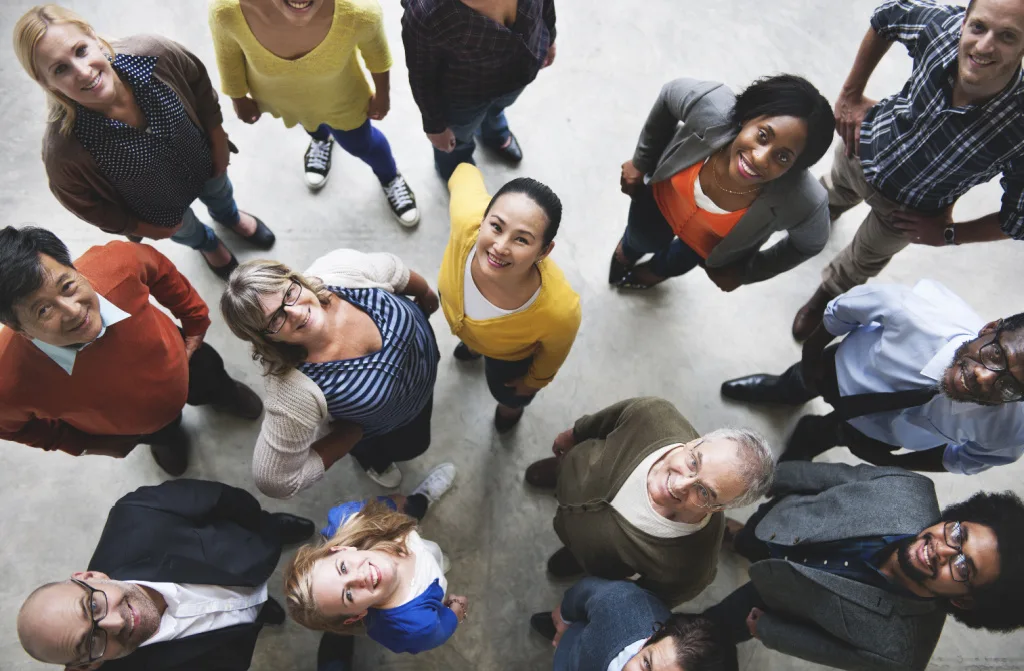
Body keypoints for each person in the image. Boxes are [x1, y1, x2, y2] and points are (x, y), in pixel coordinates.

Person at [791, 0, 1024, 341]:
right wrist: (850, 94)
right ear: (964, 22)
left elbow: (1018, 218)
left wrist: (949, 236)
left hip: (908, 212)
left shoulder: (1019, 126)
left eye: (1007, 36)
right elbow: (887, 18)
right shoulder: (941, 27)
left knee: (863, 259)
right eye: (978, 27)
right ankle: (820, 218)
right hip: (864, 146)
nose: (984, 46)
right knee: (832, 192)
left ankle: (826, 294)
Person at [14, 5, 274, 280]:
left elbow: (197, 82)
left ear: (93, 37)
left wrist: (218, 138)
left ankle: (228, 216)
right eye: (60, 69)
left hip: (206, 162)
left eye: (80, 50)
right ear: (45, 81)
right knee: (187, 230)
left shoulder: (154, 54)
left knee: (221, 194)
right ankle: (206, 243)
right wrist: (142, 227)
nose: (82, 72)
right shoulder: (64, 153)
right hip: (161, 209)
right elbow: (85, 205)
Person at [706, 461, 1024, 671]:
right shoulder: (908, 488)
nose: (941, 548)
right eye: (958, 533)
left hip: (777, 598)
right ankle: (738, 541)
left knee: (709, 633)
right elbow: (826, 477)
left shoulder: (902, 653)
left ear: (964, 600)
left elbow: (829, 650)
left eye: (964, 568)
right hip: (785, 522)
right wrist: (769, 479)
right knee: (750, 537)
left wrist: (768, 630)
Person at [0, 226, 261, 476]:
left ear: (75, 270)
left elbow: (159, 269)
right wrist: (84, 444)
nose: (74, 311)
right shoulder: (7, 380)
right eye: (43, 310)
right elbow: (11, 428)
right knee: (161, 433)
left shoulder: (116, 264)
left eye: (67, 286)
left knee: (212, 379)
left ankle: (224, 395)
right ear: (22, 329)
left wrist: (195, 319)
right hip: (133, 426)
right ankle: (167, 439)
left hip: (185, 358)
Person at [722, 280, 1024, 474]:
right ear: (989, 328)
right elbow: (842, 311)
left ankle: (808, 439)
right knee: (798, 382)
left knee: (828, 435)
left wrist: (897, 464)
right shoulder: (916, 310)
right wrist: (810, 358)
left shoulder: (1012, 430)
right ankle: (783, 389)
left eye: (1010, 386)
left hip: (881, 435)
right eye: (996, 354)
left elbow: (965, 459)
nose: (985, 378)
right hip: (840, 372)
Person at [15, 478, 317, 671]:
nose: (117, 622)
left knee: (266, 534)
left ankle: (273, 531)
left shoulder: (139, 513)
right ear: (87, 667)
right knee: (254, 616)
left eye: (92, 606)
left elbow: (224, 501)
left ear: (91, 577)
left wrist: (260, 524)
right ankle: (259, 612)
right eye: (92, 642)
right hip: (237, 635)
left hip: (253, 548)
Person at [221, 248, 441, 494]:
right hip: (393, 424)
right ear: (265, 338)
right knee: (410, 447)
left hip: (425, 379)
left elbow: (395, 270)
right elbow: (275, 480)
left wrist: (424, 293)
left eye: (289, 293)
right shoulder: (292, 389)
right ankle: (372, 460)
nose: (295, 312)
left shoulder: (342, 271)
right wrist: (349, 436)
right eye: (275, 320)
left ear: (294, 279)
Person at [524, 397, 775, 606]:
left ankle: (575, 556)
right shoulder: (654, 415)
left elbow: (643, 602)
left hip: (590, 556)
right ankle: (560, 473)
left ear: (720, 508)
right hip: (573, 470)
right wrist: (573, 437)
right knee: (566, 471)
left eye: (705, 493)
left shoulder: (692, 568)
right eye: (693, 462)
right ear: (696, 441)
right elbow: (602, 423)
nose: (678, 486)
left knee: (586, 555)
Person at [610, 75, 834, 291]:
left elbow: (810, 244)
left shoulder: (802, 201)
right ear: (748, 117)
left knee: (677, 261)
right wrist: (642, 161)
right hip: (659, 201)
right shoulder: (710, 105)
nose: (759, 158)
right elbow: (670, 95)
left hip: (706, 247)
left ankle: (657, 271)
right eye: (763, 136)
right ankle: (628, 251)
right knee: (641, 238)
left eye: (783, 157)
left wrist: (748, 273)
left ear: (795, 167)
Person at [209, 0, 419, 226]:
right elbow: (228, 58)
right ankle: (321, 140)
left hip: (342, 100)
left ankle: (390, 177)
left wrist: (383, 95)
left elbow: (378, 58)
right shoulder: (227, 12)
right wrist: (238, 98)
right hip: (285, 99)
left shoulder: (360, 13)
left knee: (361, 143)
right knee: (310, 124)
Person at [439, 163, 580, 432]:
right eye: (496, 226)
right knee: (471, 338)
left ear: (544, 251)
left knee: (508, 394)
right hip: (465, 325)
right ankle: (472, 347)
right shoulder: (465, 217)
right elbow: (464, 172)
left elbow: (553, 354)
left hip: (508, 360)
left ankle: (509, 410)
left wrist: (532, 383)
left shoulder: (560, 310)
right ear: (483, 218)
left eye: (522, 240)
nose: (500, 247)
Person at [284, 479, 465, 656]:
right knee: (437, 559)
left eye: (343, 568)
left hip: (416, 541)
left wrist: (404, 504)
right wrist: (455, 611)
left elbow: (386, 504)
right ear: (357, 615)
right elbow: (440, 630)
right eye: (348, 595)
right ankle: (438, 565)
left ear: (341, 549)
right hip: (432, 582)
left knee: (430, 547)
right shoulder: (413, 627)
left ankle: (422, 499)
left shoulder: (352, 517)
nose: (359, 577)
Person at [401, 0, 557, 180]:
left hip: (517, 75)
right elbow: (422, 76)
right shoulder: (427, 15)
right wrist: (435, 126)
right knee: (458, 139)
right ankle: (457, 167)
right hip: (465, 95)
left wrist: (550, 35)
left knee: (497, 108)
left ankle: (494, 131)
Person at [530, 578, 735, 671]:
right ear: (649, 639)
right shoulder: (620, 602)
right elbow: (585, 592)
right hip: (572, 650)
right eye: (646, 665)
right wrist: (564, 621)